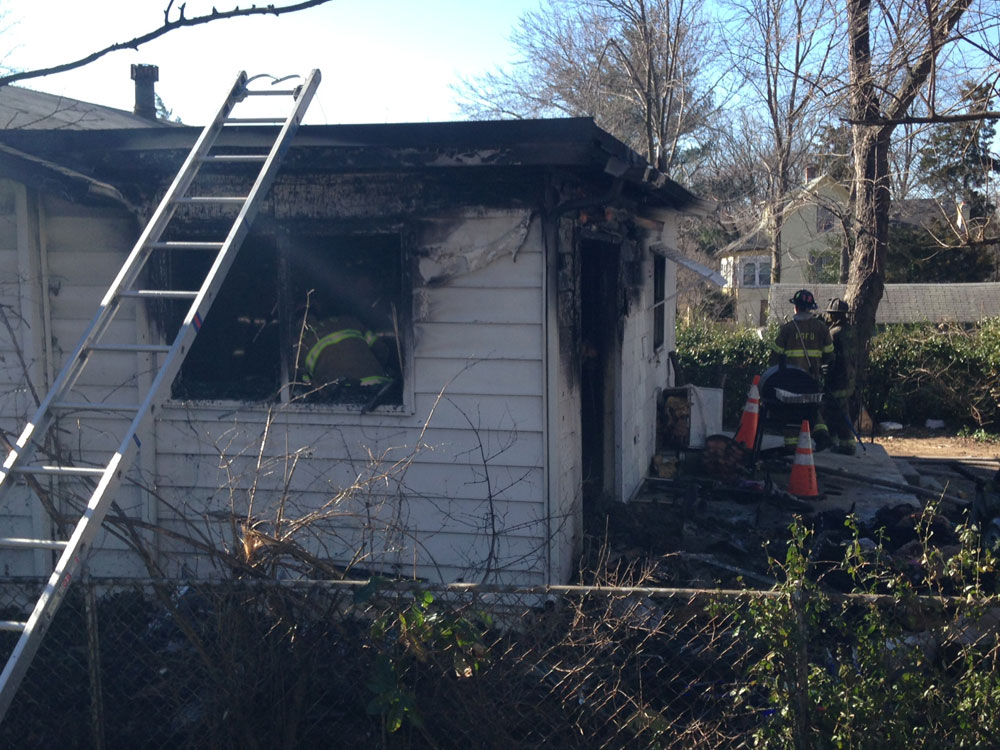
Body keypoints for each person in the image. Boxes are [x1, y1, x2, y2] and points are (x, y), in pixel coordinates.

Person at [770, 289, 834, 450]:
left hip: (791, 380)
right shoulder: (821, 328)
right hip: (812, 378)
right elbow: (829, 355)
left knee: (790, 411)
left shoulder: (787, 329)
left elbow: (774, 357)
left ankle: (792, 447)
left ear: (796, 308)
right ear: (810, 308)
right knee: (813, 408)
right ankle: (822, 435)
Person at [293, 305, 392, 396]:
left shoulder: (300, 344)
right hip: (379, 387)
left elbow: (307, 384)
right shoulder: (349, 321)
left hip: (344, 394)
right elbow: (382, 350)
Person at [822, 297, 858, 455]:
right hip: (849, 378)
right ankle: (835, 441)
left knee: (839, 413)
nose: (828, 317)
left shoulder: (834, 333)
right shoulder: (851, 331)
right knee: (839, 411)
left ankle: (847, 445)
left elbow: (829, 357)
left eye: (830, 314)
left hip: (837, 379)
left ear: (834, 315)